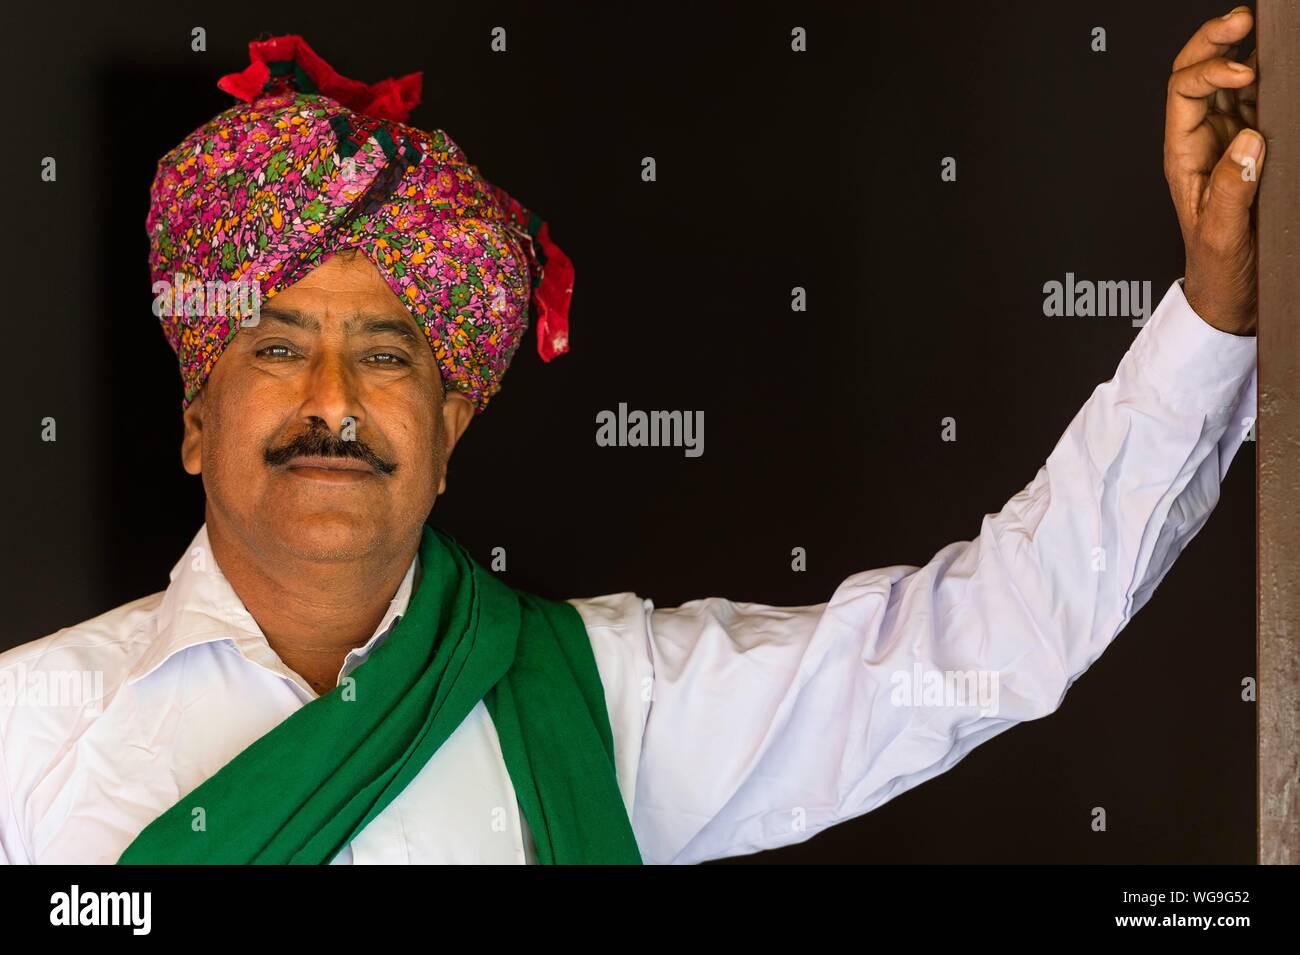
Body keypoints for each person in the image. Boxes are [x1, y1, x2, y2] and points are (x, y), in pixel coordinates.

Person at [0, 10, 1264, 864]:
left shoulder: (597, 700)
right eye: (276, 346)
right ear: (192, 419)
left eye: (387, 354)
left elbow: (984, 642)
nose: (333, 395)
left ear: (449, 429)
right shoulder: (27, 730)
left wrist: (1215, 314)